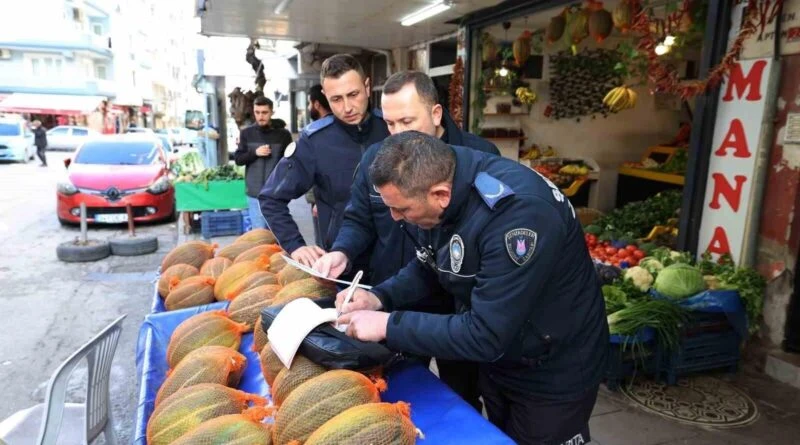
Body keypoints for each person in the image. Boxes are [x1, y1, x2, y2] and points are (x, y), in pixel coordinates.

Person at [335, 131, 609, 445]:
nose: (396, 218)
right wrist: (377, 297)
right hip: (505, 358)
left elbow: (486, 333)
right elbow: (430, 266)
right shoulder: (444, 185)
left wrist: (388, 324)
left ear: (440, 194)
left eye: (403, 210)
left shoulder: (517, 216)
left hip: (553, 371)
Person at [313, 70, 500, 409]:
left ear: (437, 114)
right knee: (394, 393)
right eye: (390, 124)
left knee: (459, 399)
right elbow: (359, 218)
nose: (397, 134)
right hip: (393, 298)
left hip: (453, 311)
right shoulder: (377, 160)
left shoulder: (478, 156)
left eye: (407, 121)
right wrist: (342, 251)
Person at [259, 54, 389, 269]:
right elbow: (271, 198)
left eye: (353, 94)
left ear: (367, 87)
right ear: (324, 96)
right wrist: (295, 245)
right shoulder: (315, 141)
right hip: (342, 265)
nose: (347, 107)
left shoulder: (392, 128)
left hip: (398, 262)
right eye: (336, 99)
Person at [235, 96, 293, 230]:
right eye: (257, 112)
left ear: (272, 112)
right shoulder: (246, 133)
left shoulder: (283, 135)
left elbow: (291, 162)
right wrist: (255, 153)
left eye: (265, 112)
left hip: (277, 193)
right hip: (255, 193)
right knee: (259, 234)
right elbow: (238, 159)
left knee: (277, 233)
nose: (260, 116)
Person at [304, 84, 332, 247]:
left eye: (309, 103)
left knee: (323, 246)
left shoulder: (314, 133)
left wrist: (315, 201)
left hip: (323, 202)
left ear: (316, 104)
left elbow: (316, 170)